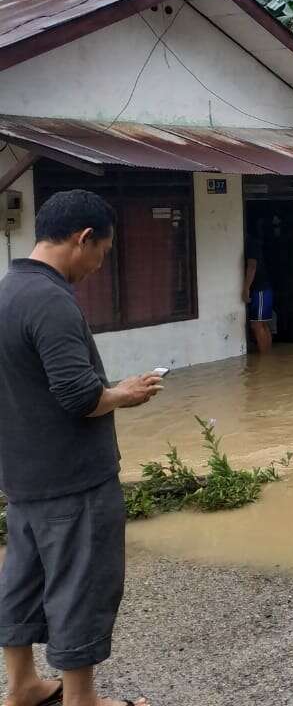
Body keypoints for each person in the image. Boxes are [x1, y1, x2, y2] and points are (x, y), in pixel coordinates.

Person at [0, 189, 162, 706]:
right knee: (80, 585)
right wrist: (125, 394)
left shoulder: (6, 291)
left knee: (23, 576)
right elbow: (78, 397)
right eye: (102, 253)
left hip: (23, 475)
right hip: (73, 479)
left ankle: (22, 684)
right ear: (83, 238)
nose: (98, 267)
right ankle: (81, 699)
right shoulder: (51, 301)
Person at [243, 220, 273, 354]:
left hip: (259, 289)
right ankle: (267, 356)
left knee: (256, 325)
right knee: (263, 324)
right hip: (264, 288)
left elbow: (252, 266)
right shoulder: (257, 243)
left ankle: (264, 358)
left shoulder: (251, 244)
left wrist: (246, 288)